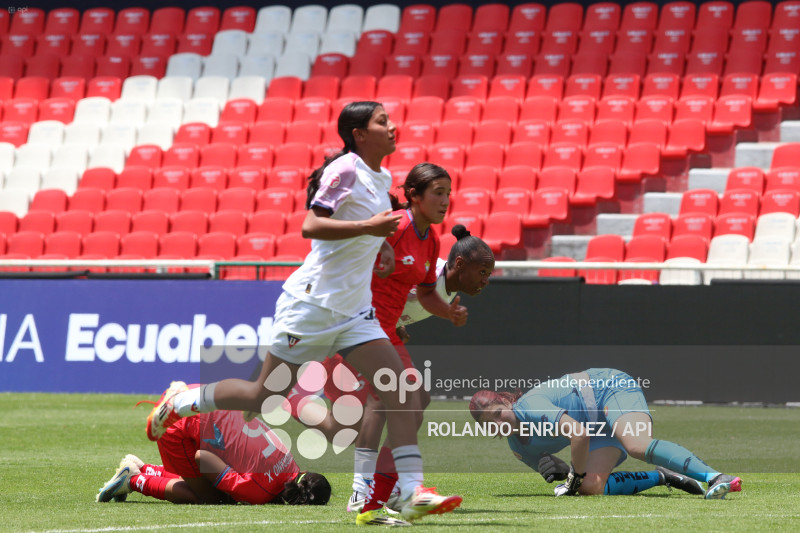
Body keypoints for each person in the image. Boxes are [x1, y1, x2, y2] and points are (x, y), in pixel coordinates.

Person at [142, 102, 462, 525]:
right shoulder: (344, 170)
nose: (392, 126)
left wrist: (379, 247)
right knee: (264, 396)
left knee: (402, 392)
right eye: (382, 121)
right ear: (358, 133)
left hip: (354, 313)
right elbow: (311, 226)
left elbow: (368, 236)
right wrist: (369, 230)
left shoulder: (381, 178)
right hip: (311, 306)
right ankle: (185, 400)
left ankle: (408, 492)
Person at [344, 223, 495, 517]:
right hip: (358, 327)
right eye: (482, 273)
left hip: (381, 329)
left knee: (419, 399)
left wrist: (395, 324)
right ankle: (362, 490)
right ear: (460, 264)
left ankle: (389, 487)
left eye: (488, 275)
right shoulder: (424, 279)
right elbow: (376, 286)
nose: (485, 281)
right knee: (382, 401)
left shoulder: (448, 292)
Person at [469, 368, 742, 500]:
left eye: (497, 413)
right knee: (590, 488)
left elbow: (578, 435)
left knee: (636, 445)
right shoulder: (519, 449)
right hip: (594, 426)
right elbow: (568, 472)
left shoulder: (530, 405)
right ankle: (664, 476)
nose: (497, 423)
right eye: (488, 424)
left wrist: (573, 477)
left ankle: (716, 477)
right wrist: (560, 473)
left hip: (610, 390)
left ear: (506, 402)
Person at [96, 407, 331, 506]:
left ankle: (144, 468)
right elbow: (202, 458)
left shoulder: (289, 461)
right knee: (212, 498)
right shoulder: (260, 491)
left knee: (212, 480)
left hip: (198, 399)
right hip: (176, 425)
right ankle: (135, 480)